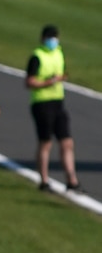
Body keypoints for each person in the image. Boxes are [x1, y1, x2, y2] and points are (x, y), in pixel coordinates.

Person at [24, 24, 81, 192]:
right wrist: (49, 82)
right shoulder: (37, 56)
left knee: (67, 142)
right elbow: (29, 82)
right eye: (50, 38)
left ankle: (72, 179)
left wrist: (60, 79)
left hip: (58, 102)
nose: (53, 41)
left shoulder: (59, 53)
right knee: (46, 142)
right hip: (41, 103)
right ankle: (44, 180)